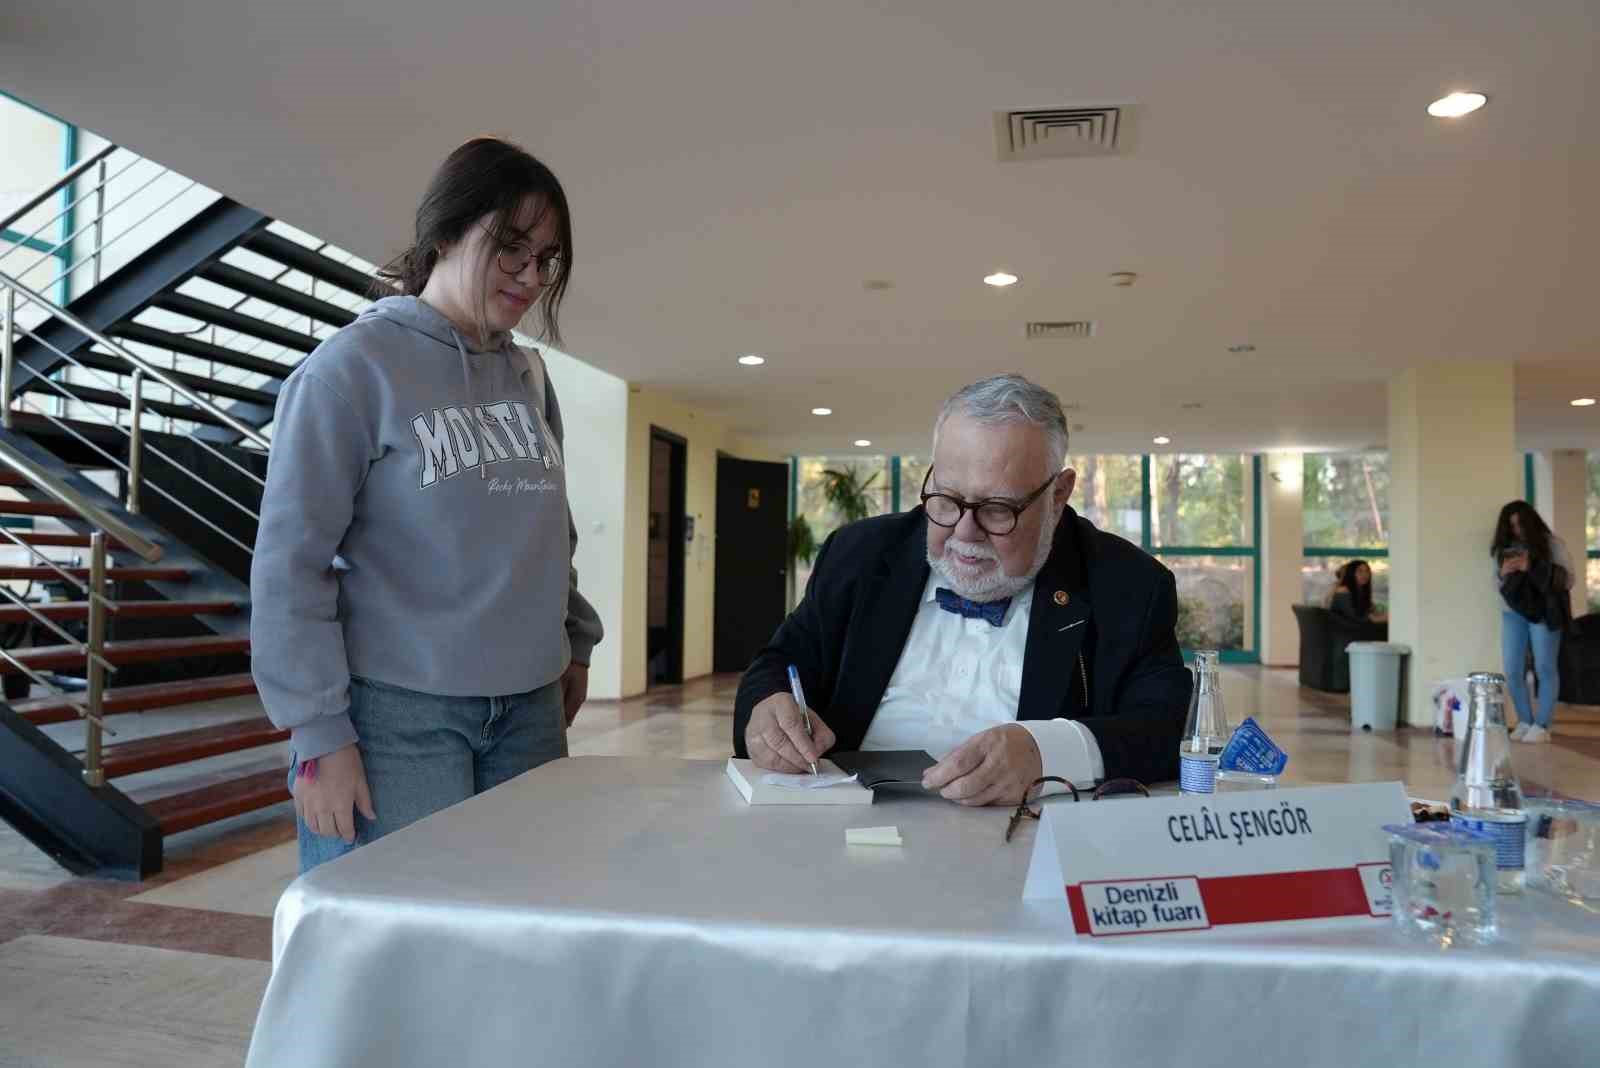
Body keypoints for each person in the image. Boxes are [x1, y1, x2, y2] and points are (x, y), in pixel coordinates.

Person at [251, 138, 604, 872]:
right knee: (392, 952)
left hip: (531, 710)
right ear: (445, 231)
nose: (532, 275)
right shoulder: (351, 371)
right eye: (512, 248)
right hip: (397, 720)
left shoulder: (530, 377)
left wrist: (576, 640)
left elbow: (550, 530)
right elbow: (291, 566)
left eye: (546, 259)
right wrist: (320, 737)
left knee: (519, 937)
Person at [734, 374, 1192, 803]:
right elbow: (779, 662)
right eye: (947, 499)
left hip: (1024, 842)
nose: (964, 533)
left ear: (1058, 494)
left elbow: (1166, 729)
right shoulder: (861, 554)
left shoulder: (1128, 585)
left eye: (997, 508)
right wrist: (766, 709)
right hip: (846, 825)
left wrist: (1046, 752)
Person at [1493, 500, 1573, 744]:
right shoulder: (1503, 548)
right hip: (1511, 612)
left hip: (1543, 611)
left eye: (1521, 524)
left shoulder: (1552, 544)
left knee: (1545, 668)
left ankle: (1542, 725)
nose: (1517, 530)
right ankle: (1525, 721)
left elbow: (1568, 579)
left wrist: (1533, 567)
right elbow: (1495, 585)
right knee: (1512, 669)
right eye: (1512, 526)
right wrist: (1503, 573)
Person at [1326, 559, 1387, 624]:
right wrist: (1376, 618)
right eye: (1360, 571)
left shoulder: (1361, 591)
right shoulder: (1342, 590)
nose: (1364, 574)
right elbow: (1356, 617)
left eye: (1367, 571)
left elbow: (1372, 611)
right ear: (1351, 574)